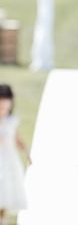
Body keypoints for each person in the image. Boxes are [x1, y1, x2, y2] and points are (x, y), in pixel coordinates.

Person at [0, 84, 28, 222]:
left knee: (7, 188)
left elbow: (17, 138)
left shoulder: (11, 121)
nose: (3, 110)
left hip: (9, 159)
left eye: (5, 107)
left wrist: (27, 152)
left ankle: (2, 217)